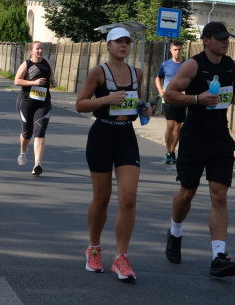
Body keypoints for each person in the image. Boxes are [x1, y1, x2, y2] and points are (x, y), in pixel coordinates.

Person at [163, 21, 235, 279]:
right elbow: (170, 94)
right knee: (187, 192)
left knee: (219, 194)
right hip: (194, 137)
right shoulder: (193, 65)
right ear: (207, 40)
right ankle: (175, 231)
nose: (225, 42)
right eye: (220, 38)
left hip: (220, 137)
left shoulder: (231, 65)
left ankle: (218, 257)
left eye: (227, 38)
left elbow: (234, 89)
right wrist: (197, 99)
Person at [75, 26, 155, 284]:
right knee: (101, 198)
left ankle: (121, 257)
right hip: (101, 136)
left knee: (129, 199)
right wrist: (105, 100)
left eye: (127, 42)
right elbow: (80, 104)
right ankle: (94, 248)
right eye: (118, 41)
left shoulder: (137, 73)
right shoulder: (99, 72)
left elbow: (137, 102)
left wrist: (145, 108)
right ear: (108, 45)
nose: (124, 45)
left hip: (126, 136)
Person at [14, 41, 55, 175]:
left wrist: (53, 82)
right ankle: (23, 152)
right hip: (26, 101)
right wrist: (33, 82)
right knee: (27, 133)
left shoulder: (48, 63)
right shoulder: (26, 64)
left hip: (43, 102)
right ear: (31, 51)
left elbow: (53, 79)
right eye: (37, 49)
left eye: (42, 49)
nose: (40, 51)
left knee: (40, 132)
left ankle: (38, 164)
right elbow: (17, 81)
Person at [156, 39, 186, 164]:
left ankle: (172, 152)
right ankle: (168, 152)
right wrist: (160, 90)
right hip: (168, 98)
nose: (177, 52)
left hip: (182, 100)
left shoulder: (187, 64)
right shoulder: (165, 65)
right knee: (170, 125)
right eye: (175, 50)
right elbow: (158, 78)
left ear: (182, 50)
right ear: (170, 50)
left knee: (178, 127)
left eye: (179, 49)